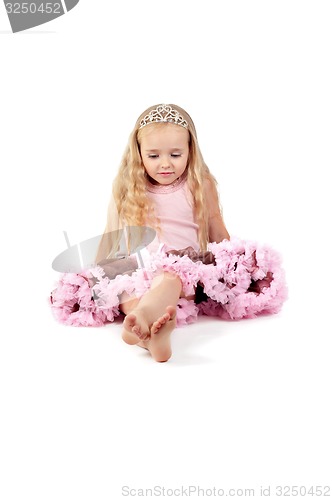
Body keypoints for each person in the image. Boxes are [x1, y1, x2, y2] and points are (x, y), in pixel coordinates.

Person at [95, 103, 231, 362]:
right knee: (125, 294)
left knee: (169, 279)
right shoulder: (127, 185)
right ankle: (152, 336)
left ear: (190, 150)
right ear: (139, 154)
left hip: (183, 269)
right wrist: (95, 276)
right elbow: (111, 234)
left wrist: (235, 269)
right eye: (154, 156)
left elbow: (216, 227)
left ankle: (145, 318)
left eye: (176, 155)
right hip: (138, 268)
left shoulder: (198, 183)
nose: (165, 164)